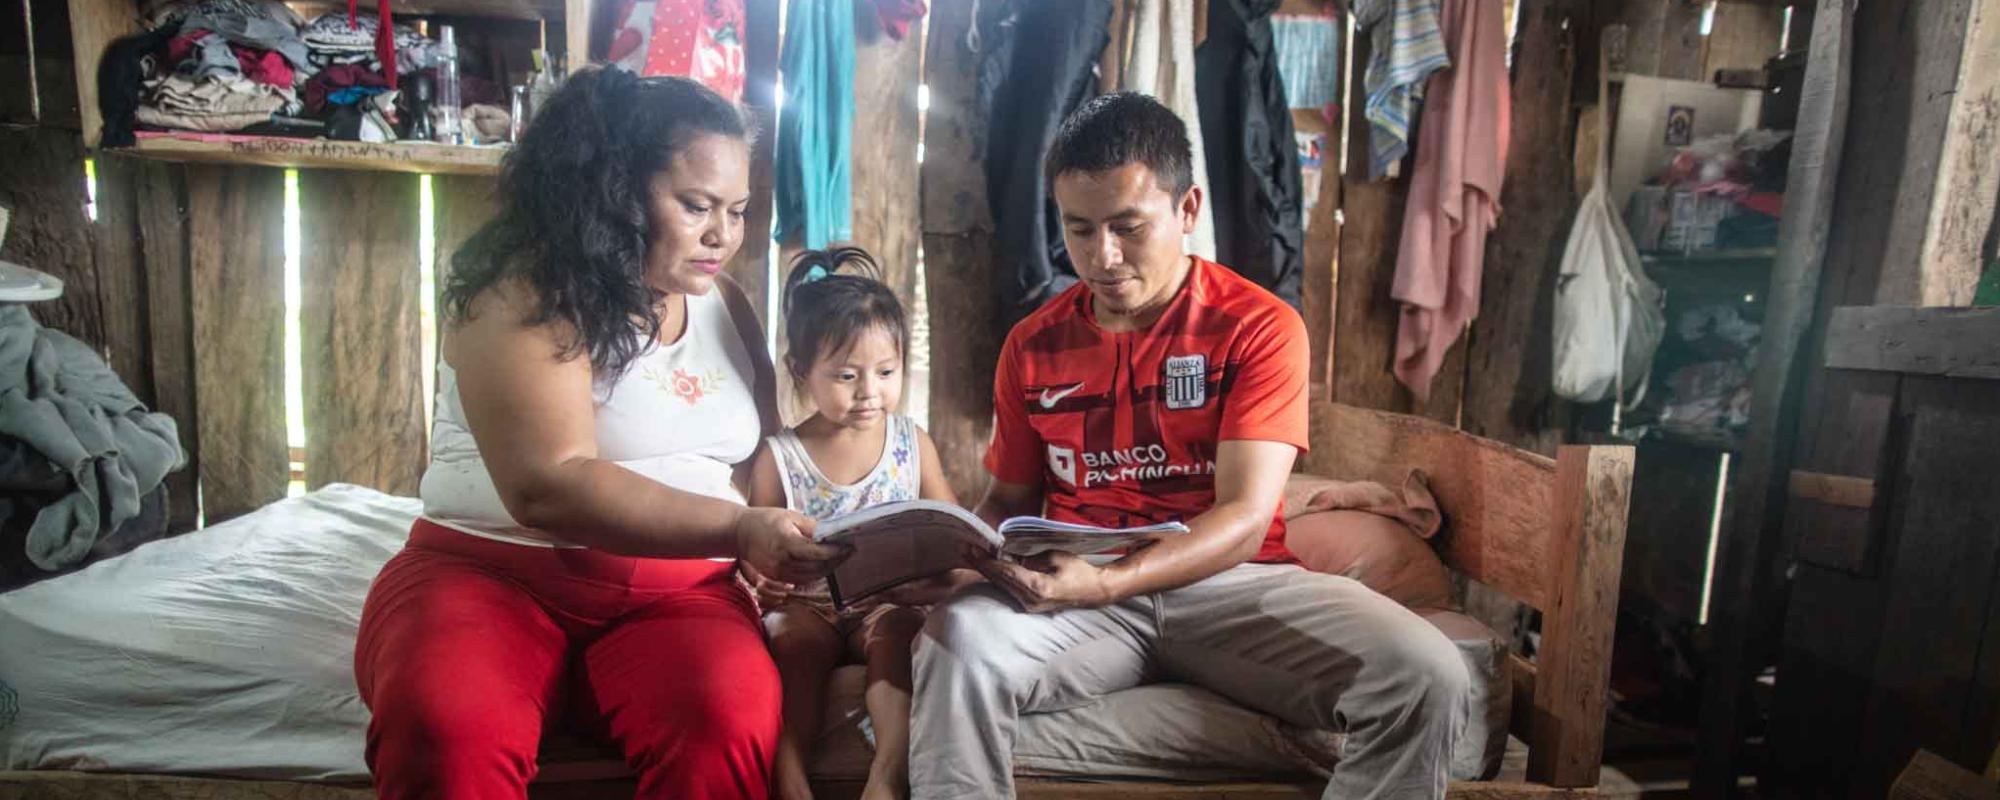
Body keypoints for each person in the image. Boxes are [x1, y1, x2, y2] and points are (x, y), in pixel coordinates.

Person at [905, 92, 1471, 800]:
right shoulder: (1033, 343)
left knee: (1429, 674)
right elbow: (1010, 500)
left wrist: (1110, 580)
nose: (1102, 256)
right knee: (955, 645)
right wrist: (951, 557)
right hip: (1081, 594)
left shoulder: (1258, 327)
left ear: (1188, 210)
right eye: (1079, 229)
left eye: (1127, 227)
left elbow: (1241, 519)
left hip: (1230, 587)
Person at [352, 67, 847, 800]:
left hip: (682, 593)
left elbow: (759, 460)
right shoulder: (521, 290)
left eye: (737, 211)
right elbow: (547, 485)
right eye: (695, 205)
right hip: (493, 574)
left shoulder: (725, 304)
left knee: (726, 723)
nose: (723, 236)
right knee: (446, 730)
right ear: (615, 192)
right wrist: (742, 529)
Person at [742, 248, 961, 800]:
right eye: (845, 375)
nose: (869, 391)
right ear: (801, 373)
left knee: (899, 637)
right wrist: (761, 576)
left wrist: (938, 562)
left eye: (886, 372)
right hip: (806, 607)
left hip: (885, 601)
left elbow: (950, 527)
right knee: (790, 649)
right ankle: (789, 777)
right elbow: (753, 551)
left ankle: (888, 769)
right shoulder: (780, 456)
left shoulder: (912, 444)